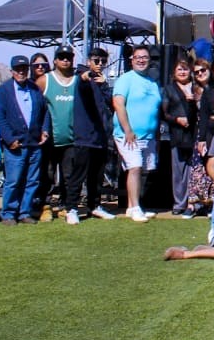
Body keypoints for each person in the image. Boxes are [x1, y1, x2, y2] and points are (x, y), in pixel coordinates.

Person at [0, 55, 51, 226]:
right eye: (17, 69)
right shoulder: (3, 91)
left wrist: (45, 130)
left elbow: (45, 111)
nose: (21, 72)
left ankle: (25, 212)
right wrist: (9, 139)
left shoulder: (34, 88)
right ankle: (9, 213)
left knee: (32, 181)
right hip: (15, 145)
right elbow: (1, 118)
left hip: (34, 144)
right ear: (11, 71)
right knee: (13, 181)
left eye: (24, 69)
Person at [112, 44, 163, 223]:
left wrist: (156, 136)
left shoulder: (152, 82)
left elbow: (155, 110)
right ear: (131, 60)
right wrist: (128, 130)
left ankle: (133, 205)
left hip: (148, 137)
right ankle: (134, 208)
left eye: (145, 57)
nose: (141, 60)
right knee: (134, 167)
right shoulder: (126, 79)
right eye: (138, 57)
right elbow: (118, 103)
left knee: (142, 170)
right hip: (128, 135)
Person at [69, 46, 115, 222]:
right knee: (78, 174)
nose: (100, 64)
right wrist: (87, 76)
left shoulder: (102, 82)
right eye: (96, 61)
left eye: (103, 61)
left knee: (96, 176)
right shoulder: (82, 77)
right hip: (85, 136)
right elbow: (81, 82)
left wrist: (103, 84)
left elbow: (109, 103)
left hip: (101, 136)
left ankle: (94, 205)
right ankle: (71, 208)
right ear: (89, 61)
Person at [36, 45, 78, 219]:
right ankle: (45, 206)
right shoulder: (45, 80)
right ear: (55, 60)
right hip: (50, 138)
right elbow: (36, 109)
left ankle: (66, 206)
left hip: (71, 138)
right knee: (47, 174)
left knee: (69, 175)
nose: (65, 60)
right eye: (61, 57)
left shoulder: (78, 81)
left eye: (68, 57)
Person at [161, 58, 200, 218]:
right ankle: (179, 203)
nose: (183, 72)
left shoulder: (196, 87)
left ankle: (194, 202)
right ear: (174, 73)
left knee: (194, 170)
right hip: (177, 133)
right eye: (180, 70)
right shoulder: (169, 89)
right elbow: (164, 113)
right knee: (178, 170)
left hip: (194, 133)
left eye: (185, 69)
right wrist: (177, 119)